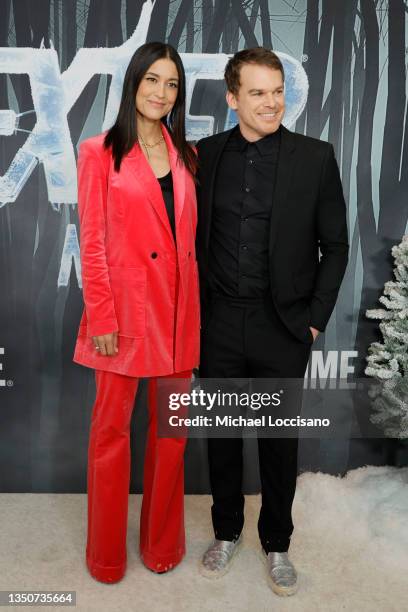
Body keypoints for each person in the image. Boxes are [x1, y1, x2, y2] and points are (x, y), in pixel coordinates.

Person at [196, 47, 348, 596]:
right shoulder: (205, 155)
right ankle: (226, 530)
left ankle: (278, 543)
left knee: (279, 441)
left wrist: (312, 320)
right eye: (257, 92)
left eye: (277, 90)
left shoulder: (315, 157)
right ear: (233, 98)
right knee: (222, 435)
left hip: (282, 325)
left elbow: (335, 245)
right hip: (218, 322)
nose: (271, 102)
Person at [73, 42, 199, 584]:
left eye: (171, 84)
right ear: (133, 82)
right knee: (110, 435)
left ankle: (162, 544)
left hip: (177, 316)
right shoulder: (99, 151)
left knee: (172, 432)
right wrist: (101, 316)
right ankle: (105, 554)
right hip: (122, 315)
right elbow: (93, 241)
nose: (161, 93)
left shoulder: (187, 154)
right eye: (152, 79)